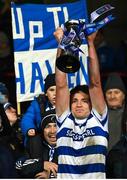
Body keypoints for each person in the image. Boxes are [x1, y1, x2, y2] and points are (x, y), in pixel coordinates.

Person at [54, 27, 108, 178]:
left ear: (92, 105)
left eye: (84, 101)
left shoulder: (99, 119)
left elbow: (95, 83)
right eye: (75, 101)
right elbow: (61, 85)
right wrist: (61, 45)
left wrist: (90, 43)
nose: (78, 104)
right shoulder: (64, 119)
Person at [16, 109, 58, 178]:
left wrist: (49, 174)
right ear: (42, 130)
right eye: (48, 126)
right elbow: (19, 166)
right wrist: (42, 165)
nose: (52, 131)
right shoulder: (34, 144)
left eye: (56, 126)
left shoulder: (69, 146)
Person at [21, 73, 56, 145]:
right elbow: (27, 118)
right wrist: (29, 128)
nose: (55, 93)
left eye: (59, 89)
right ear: (46, 93)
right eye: (52, 90)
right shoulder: (38, 104)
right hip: (44, 141)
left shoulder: (70, 104)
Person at [104, 73, 127, 151]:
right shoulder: (100, 116)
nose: (112, 96)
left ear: (123, 95)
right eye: (109, 93)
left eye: (116, 92)